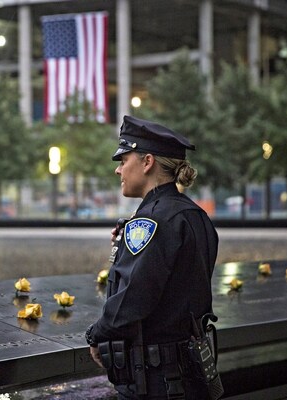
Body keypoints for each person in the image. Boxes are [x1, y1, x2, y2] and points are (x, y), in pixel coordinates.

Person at [85, 115, 221, 399]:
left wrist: (96, 335)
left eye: (123, 160)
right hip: (191, 376)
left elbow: (133, 299)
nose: (119, 170)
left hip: (156, 382)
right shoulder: (194, 215)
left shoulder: (151, 221)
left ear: (147, 162)